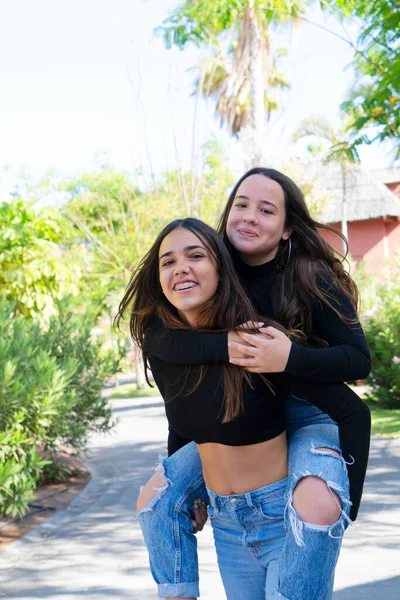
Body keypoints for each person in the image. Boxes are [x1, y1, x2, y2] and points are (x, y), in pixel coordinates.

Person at [134, 170, 370, 600]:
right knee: (157, 499)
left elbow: (357, 361)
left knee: (316, 506)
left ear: (286, 230)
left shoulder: (306, 275)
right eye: (241, 204)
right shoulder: (212, 281)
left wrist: (289, 358)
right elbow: (172, 367)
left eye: (266, 210)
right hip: (245, 408)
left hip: (305, 402)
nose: (249, 217)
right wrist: (228, 345)